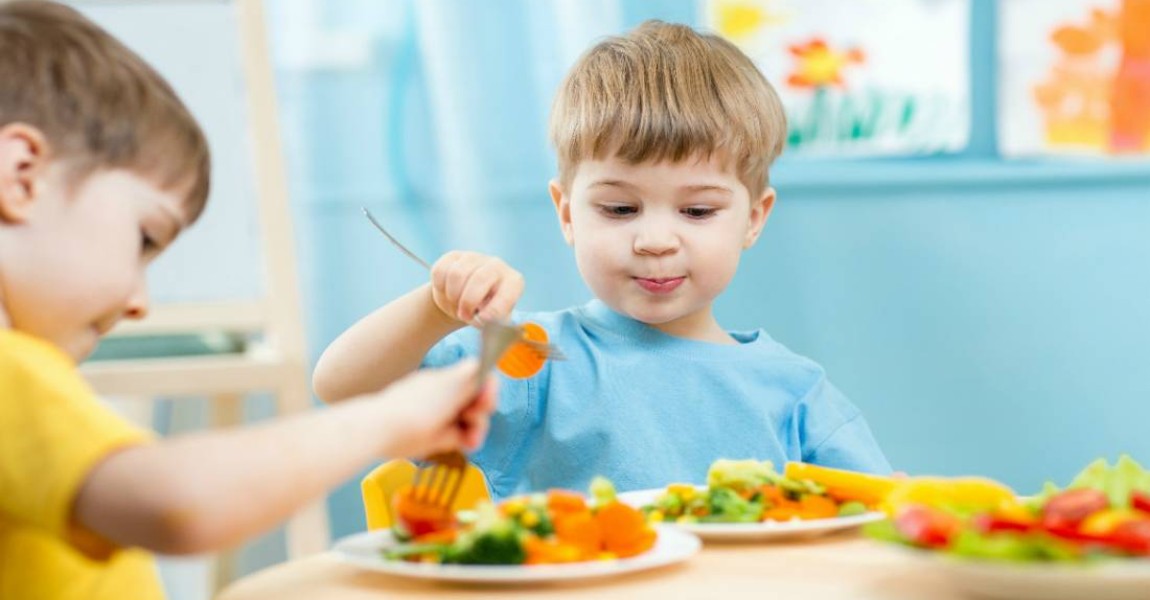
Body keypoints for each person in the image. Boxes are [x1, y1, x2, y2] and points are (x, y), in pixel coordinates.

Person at [0, 3, 496, 598]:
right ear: (21, 175)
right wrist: (391, 419)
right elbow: (176, 502)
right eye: (144, 238)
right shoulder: (13, 372)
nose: (139, 302)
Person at [313, 20, 890, 500]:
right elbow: (344, 390)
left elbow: (883, 516)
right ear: (566, 214)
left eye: (696, 212)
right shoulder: (533, 364)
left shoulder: (794, 390)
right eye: (619, 208)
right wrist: (435, 308)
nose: (655, 240)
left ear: (754, 219)